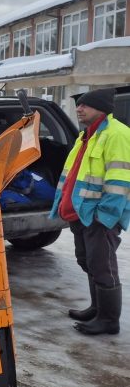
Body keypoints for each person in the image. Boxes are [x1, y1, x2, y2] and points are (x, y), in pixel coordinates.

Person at [50, 87, 130, 335]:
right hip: (81, 212)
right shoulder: (87, 135)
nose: (79, 109)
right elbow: (74, 175)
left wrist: (104, 216)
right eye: (78, 105)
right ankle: (97, 308)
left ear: (101, 108)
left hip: (98, 216)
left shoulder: (117, 135)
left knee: (102, 265)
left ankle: (109, 320)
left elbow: (120, 180)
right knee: (88, 262)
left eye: (85, 105)